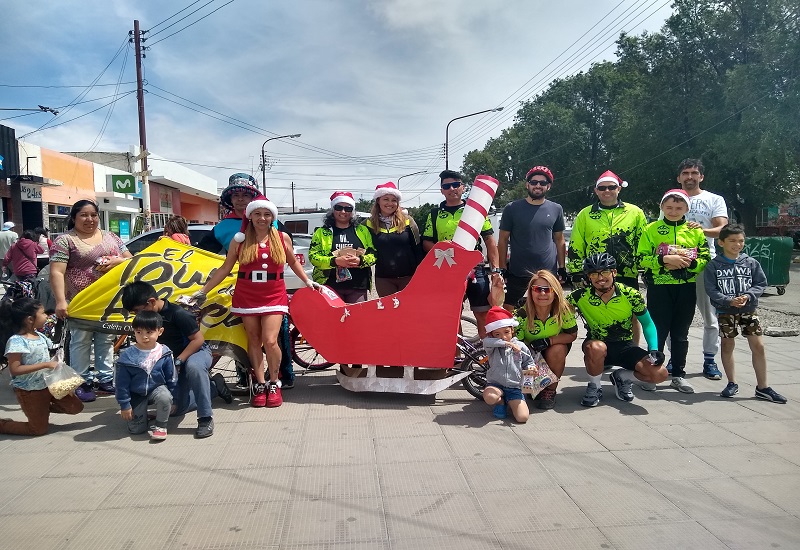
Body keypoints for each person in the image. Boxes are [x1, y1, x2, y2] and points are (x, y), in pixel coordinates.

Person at [195, 194, 317, 408]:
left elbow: (293, 263)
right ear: (250, 216)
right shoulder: (239, 240)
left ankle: (274, 382)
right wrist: (204, 291)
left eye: (267, 214)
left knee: (270, 340)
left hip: (274, 294)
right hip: (246, 294)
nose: (262, 218)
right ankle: (259, 384)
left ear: (273, 217)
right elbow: (225, 269)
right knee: (253, 340)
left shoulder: (282, 238)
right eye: (258, 214)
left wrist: (307, 281)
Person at [196, 173, 295, 389]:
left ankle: (283, 376)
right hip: (238, 287)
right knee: (242, 335)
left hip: (271, 289)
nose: (240, 199)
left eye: (245, 195)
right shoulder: (222, 227)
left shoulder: (272, 221)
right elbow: (201, 253)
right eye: (236, 195)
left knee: (277, 335)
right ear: (229, 200)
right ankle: (248, 379)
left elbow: (288, 251)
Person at [122, 281, 232, 439]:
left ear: (151, 302)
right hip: (170, 362)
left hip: (195, 352)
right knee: (176, 409)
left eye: (139, 311)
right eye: (134, 313)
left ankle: (205, 418)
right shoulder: (146, 319)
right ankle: (214, 387)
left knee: (194, 367)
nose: (138, 316)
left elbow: (198, 340)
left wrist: (179, 360)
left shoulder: (178, 313)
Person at [50, 199, 132, 402]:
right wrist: (61, 301)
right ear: (74, 218)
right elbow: (57, 272)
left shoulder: (111, 237)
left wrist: (118, 261)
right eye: (84, 215)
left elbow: (131, 259)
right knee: (81, 341)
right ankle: (81, 381)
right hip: (80, 301)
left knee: (106, 340)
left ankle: (105, 380)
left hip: (108, 301)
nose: (90, 219)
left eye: (93, 215)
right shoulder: (65, 240)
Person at [567, 253, 667, 407]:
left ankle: (622, 376)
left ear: (614, 272)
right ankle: (594, 386)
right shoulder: (579, 296)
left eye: (605, 272)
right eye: (594, 274)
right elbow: (554, 307)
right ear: (589, 277)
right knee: (596, 347)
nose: (600, 278)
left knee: (660, 374)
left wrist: (654, 349)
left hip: (625, 346)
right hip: (597, 345)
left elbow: (647, 323)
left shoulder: (631, 294)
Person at [704, 224, 787, 403]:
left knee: (759, 346)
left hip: (749, 310)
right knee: (727, 345)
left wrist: (748, 296)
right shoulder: (713, 265)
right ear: (721, 242)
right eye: (732, 241)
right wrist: (728, 300)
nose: (737, 244)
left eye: (741, 241)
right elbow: (711, 289)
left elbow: (760, 283)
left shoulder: (750, 262)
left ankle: (763, 387)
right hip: (726, 311)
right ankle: (732, 382)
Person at [639, 189, 710, 394]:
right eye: (669, 207)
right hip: (659, 288)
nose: (673, 211)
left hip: (685, 288)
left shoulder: (695, 231)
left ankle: (678, 374)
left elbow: (705, 257)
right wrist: (664, 260)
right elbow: (641, 258)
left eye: (679, 207)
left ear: (687, 208)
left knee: (680, 334)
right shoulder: (651, 229)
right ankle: (653, 374)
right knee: (657, 332)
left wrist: (686, 264)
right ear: (661, 207)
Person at [567, 170, 647, 344]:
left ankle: (632, 349)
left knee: (631, 313)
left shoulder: (635, 212)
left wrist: (646, 269)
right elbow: (576, 244)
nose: (607, 191)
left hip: (627, 271)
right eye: (602, 188)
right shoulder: (585, 214)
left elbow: (643, 244)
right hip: (596, 273)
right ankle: (603, 352)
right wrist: (575, 272)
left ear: (619, 188)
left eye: (611, 187)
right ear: (596, 191)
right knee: (598, 312)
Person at [422, 170, 501, 337]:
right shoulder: (434, 214)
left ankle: (486, 357)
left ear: (463, 187)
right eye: (446, 186)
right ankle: (456, 360)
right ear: (441, 190)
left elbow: (490, 241)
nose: (452, 189)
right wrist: (444, 250)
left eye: (456, 184)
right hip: (447, 269)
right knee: (452, 316)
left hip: (475, 269)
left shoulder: (476, 211)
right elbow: (426, 242)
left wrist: (496, 270)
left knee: (483, 313)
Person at [0, 297, 83, 436]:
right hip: (30, 391)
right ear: (30, 319)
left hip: (49, 385)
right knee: (38, 430)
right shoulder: (16, 341)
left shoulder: (40, 336)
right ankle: (3, 425)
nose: (47, 316)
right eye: (43, 313)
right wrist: (45, 364)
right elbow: (15, 369)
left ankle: (41, 410)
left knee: (76, 407)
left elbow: (51, 351)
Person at [676, 158, 728, 379]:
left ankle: (709, 360)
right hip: (676, 264)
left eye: (694, 173)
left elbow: (723, 229)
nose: (690, 177)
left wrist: (701, 231)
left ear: (701, 176)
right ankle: (674, 360)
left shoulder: (713, 199)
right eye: (685, 173)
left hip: (705, 263)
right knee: (675, 317)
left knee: (710, 316)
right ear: (679, 177)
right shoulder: (673, 199)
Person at [498, 165, 567, 311]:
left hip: (547, 273)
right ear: (527, 184)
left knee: (548, 311)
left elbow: (559, 240)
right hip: (518, 272)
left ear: (548, 186)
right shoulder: (512, 208)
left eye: (542, 183)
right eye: (534, 182)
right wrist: (502, 268)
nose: (538, 185)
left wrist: (562, 267)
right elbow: (503, 240)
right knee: (510, 312)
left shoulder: (556, 209)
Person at [513, 270, 578, 409]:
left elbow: (572, 335)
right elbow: (517, 344)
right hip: (529, 352)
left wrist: (549, 341)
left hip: (553, 350)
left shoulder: (564, 310)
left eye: (547, 290)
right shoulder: (521, 312)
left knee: (558, 349)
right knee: (523, 358)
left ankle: (550, 391)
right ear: (530, 292)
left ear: (555, 292)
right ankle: (530, 387)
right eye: (537, 289)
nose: (542, 294)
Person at [115, 310, 176, 441]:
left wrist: (174, 398)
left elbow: (171, 377)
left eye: (149, 332)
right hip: (136, 394)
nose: (144, 337)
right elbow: (121, 384)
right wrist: (125, 405)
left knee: (165, 397)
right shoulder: (127, 357)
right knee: (136, 431)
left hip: (157, 388)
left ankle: (161, 425)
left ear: (160, 331)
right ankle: (141, 416)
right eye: (139, 332)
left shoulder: (164, 352)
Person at [310, 191, 377, 304]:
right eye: (339, 207)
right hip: (330, 286)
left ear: (353, 211)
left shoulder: (362, 230)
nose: (343, 211)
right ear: (332, 210)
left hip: (358, 285)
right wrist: (335, 261)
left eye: (348, 209)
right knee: (333, 320)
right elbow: (313, 257)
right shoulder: (321, 232)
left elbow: (374, 254)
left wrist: (360, 261)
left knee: (357, 319)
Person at [365, 181, 423, 296]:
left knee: (409, 312)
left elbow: (418, 248)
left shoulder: (408, 220)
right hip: (384, 278)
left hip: (409, 277)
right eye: (386, 199)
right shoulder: (367, 224)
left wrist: (421, 274)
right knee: (389, 312)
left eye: (394, 200)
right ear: (378, 201)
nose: (390, 203)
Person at [482, 306, 533, 422]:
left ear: (512, 330)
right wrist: (507, 344)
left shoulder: (521, 346)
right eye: (497, 334)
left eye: (506, 332)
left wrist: (531, 368)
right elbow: (485, 341)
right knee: (490, 397)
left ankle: (510, 401)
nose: (503, 337)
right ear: (492, 335)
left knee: (522, 418)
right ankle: (500, 402)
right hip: (495, 384)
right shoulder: (493, 347)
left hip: (515, 387)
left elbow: (529, 362)